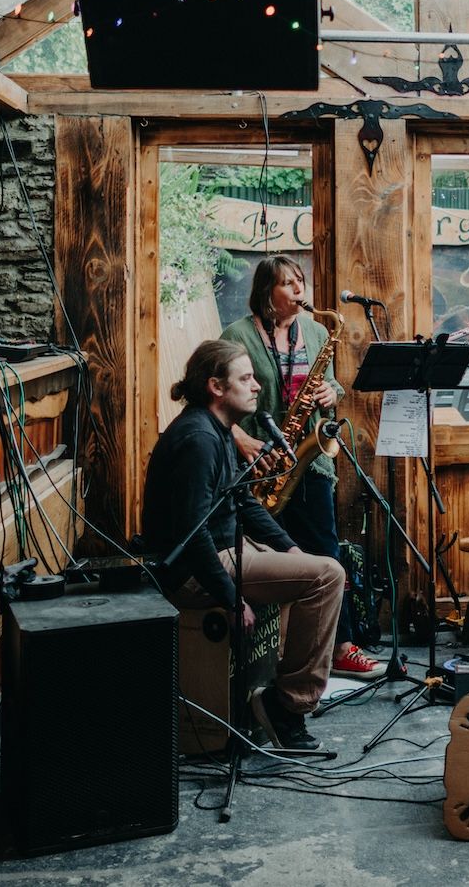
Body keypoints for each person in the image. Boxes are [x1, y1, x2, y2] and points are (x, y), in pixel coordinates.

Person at [141, 339, 343, 755]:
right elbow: (191, 532)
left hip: (225, 551)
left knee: (309, 568)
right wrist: (231, 599)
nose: (256, 387)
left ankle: (273, 690)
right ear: (216, 386)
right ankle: (288, 705)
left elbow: (242, 501)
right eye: (246, 378)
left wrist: (288, 549)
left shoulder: (211, 429)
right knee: (329, 576)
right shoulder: (198, 440)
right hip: (199, 568)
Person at [222, 255, 380, 678]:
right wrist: (244, 441)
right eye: (288, 284)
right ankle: (261, 655)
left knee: (326, 552)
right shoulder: (237, 335)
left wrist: (331, 391)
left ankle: (342, 644)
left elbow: (329, 382)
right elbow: (213, 400)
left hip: (308, 460)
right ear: (266, 292)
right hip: (260, 466)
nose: (299, 291)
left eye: (300, 282)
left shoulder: (314, 330)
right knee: (263, 558)